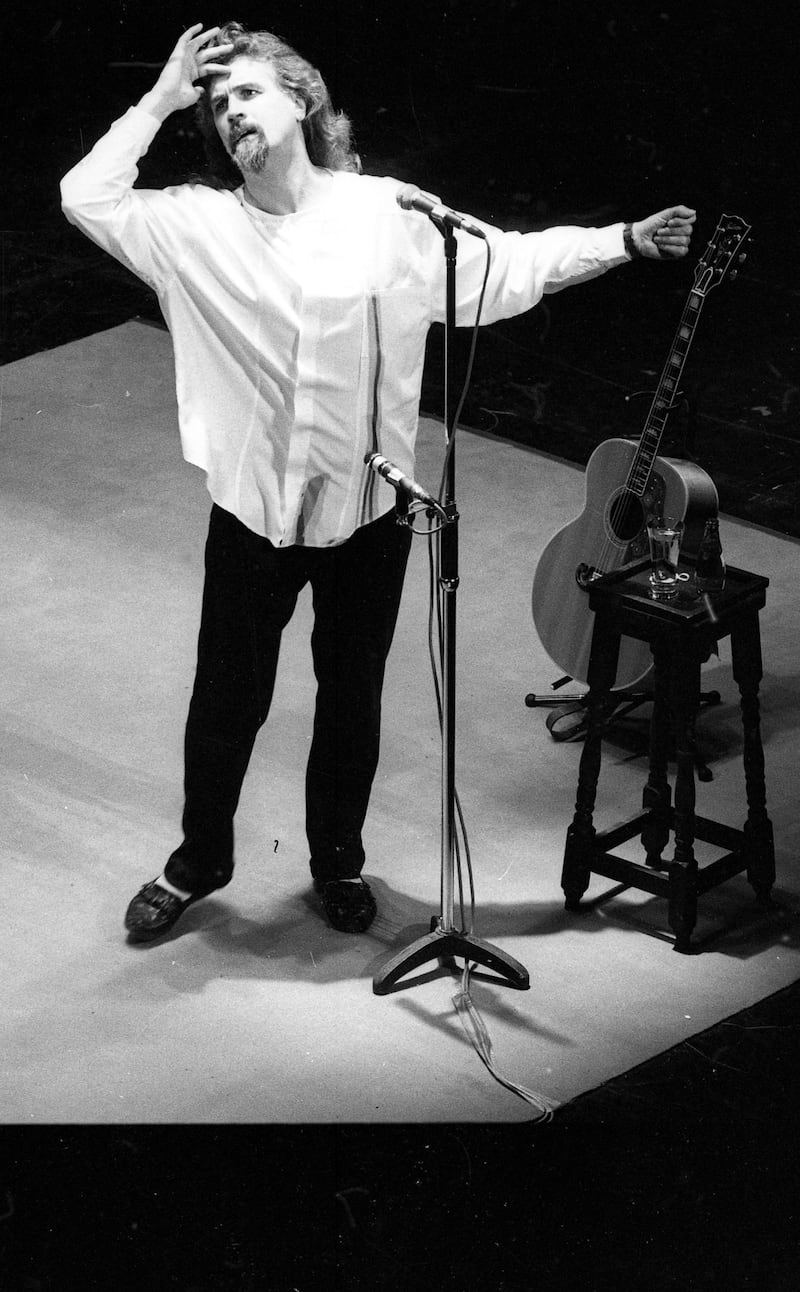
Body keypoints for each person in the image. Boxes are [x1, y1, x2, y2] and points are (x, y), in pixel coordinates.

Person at [60, 22, 696, 942]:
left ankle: (337, 862)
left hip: (371, 513)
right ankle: (201, 857)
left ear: (302, 99)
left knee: (349, 696)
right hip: (252, 516)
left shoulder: (388, 216)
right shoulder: (189, 228)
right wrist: (159, 99)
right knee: (225, 698)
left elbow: (507, 266)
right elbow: (85, 193)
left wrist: (623, 241)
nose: (231, 112)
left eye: (248, 92)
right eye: (217, 103)